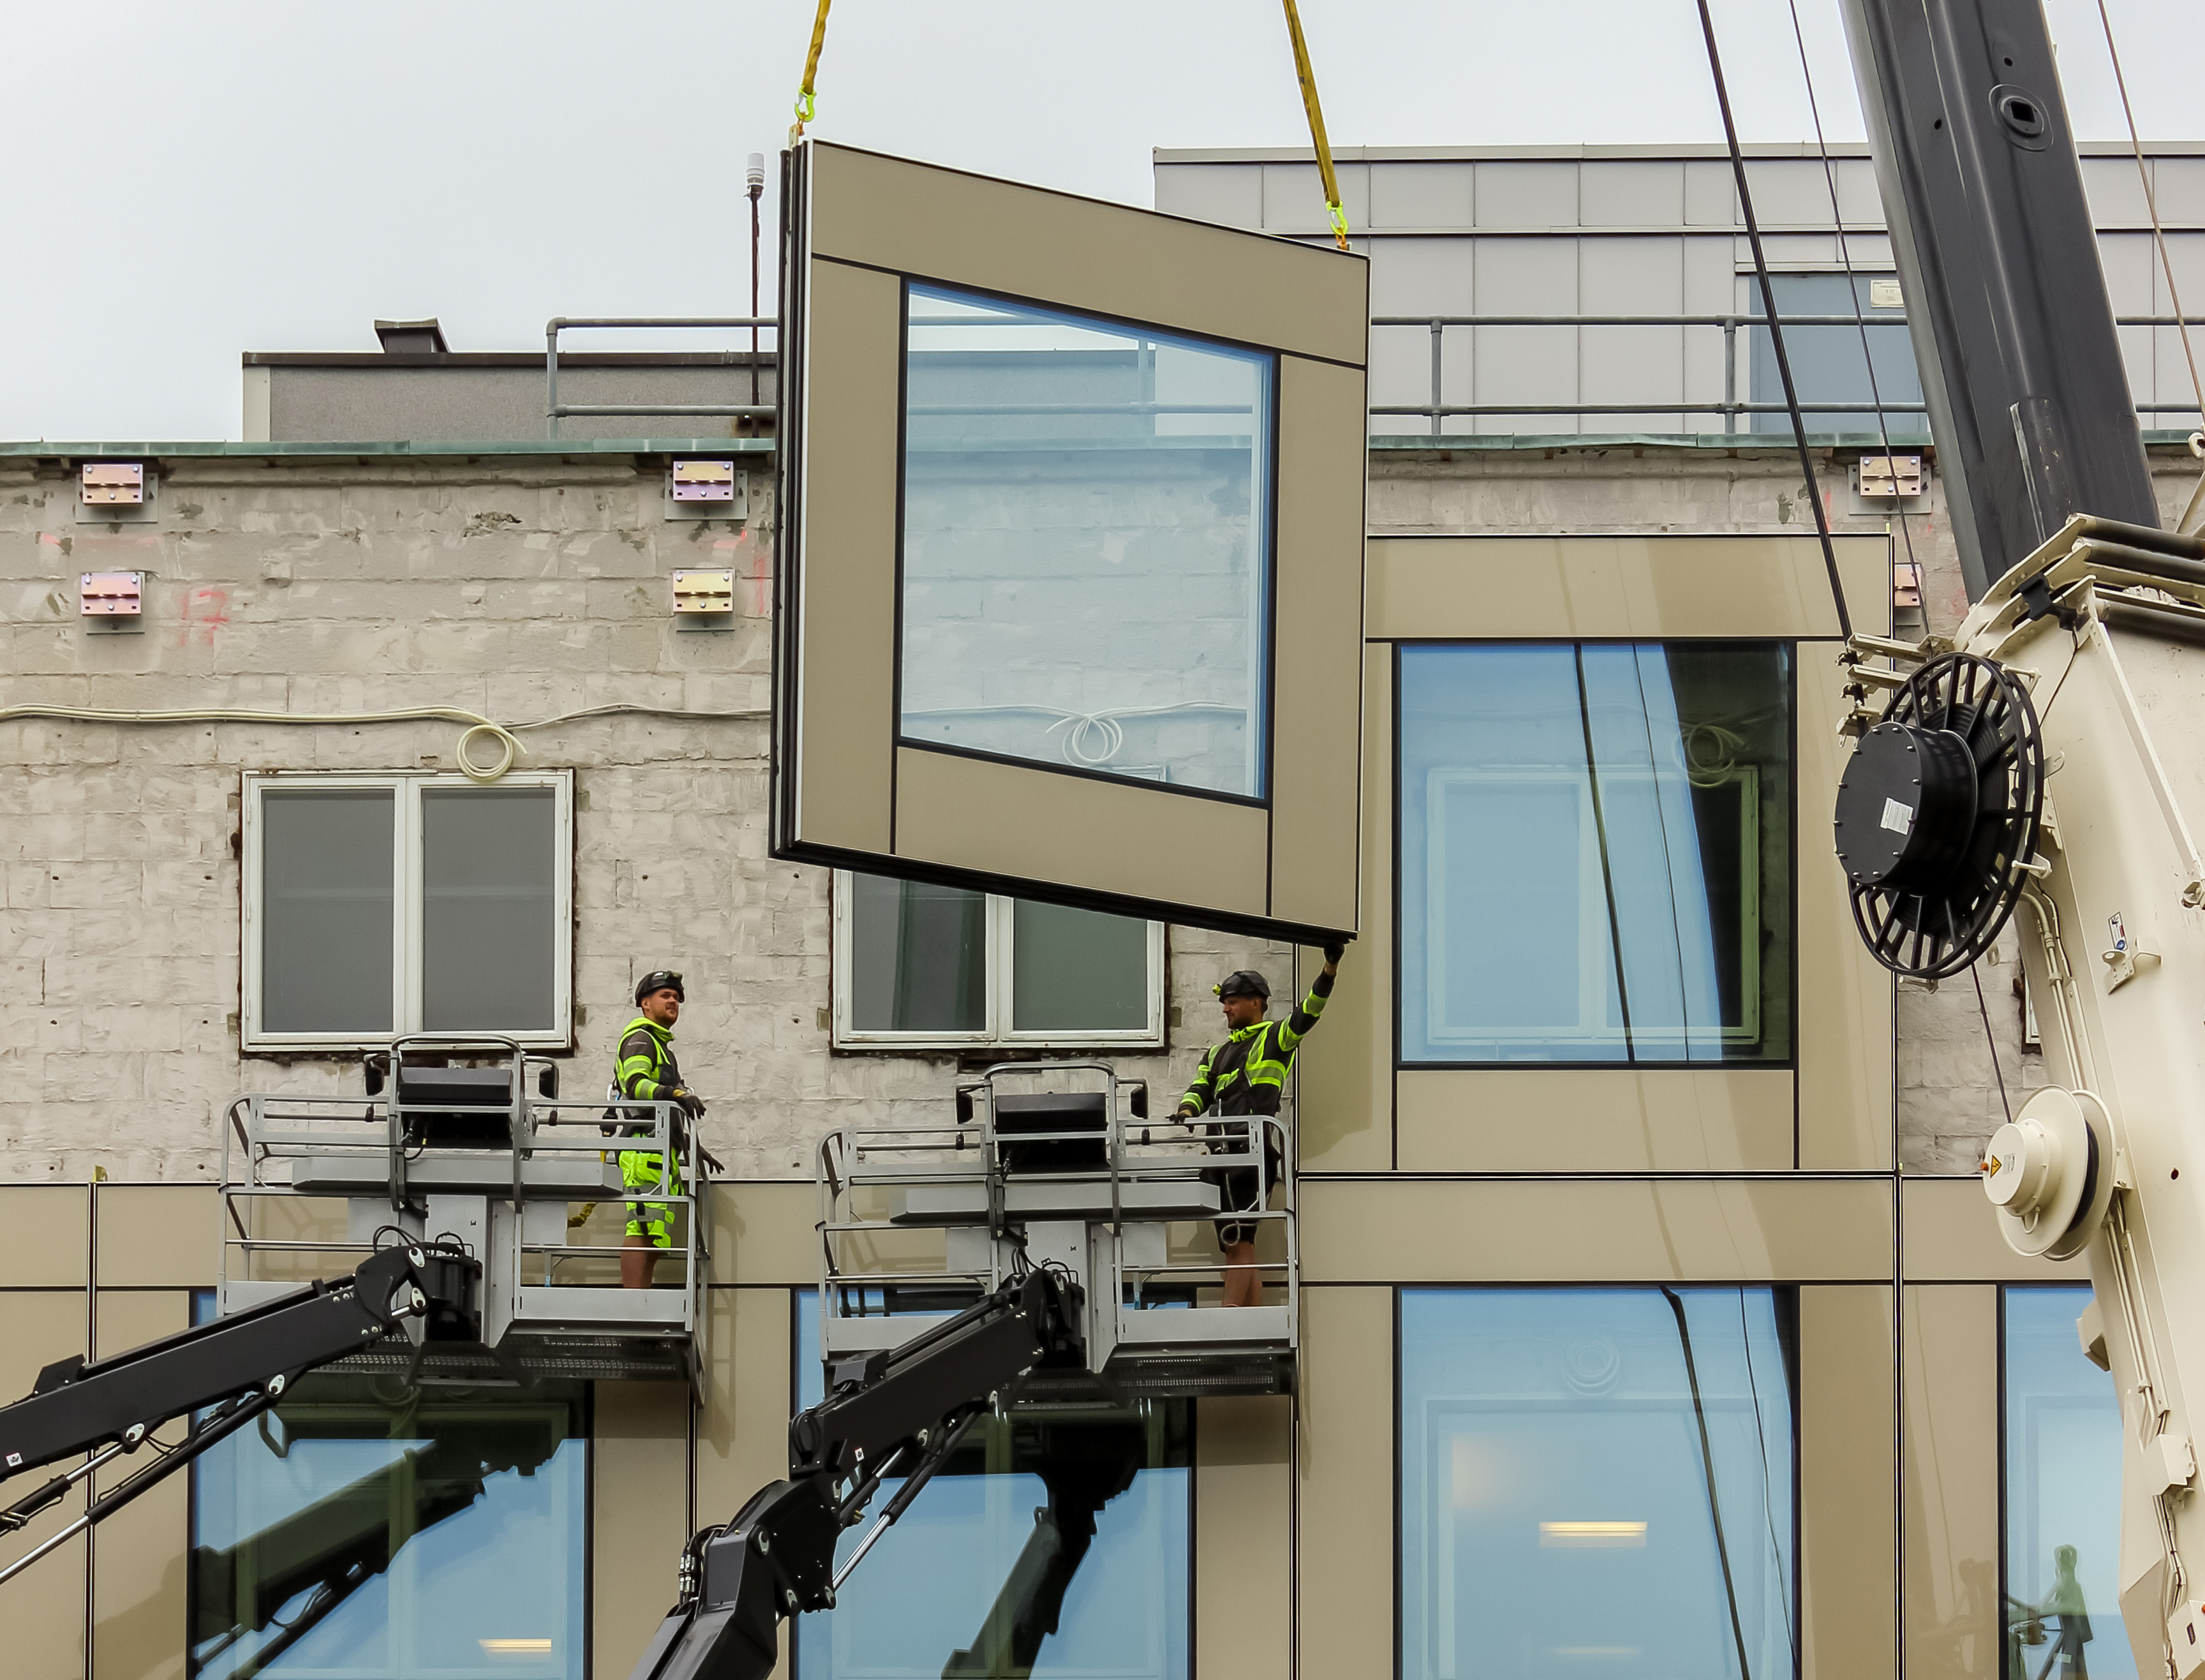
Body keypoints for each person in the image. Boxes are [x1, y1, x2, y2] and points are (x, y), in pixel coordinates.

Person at [1174, 943, 1344, 1307]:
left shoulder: (1275, 1038)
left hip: (1249, 1154)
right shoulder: (1216, 1052)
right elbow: (1200, 1088)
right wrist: (1187, 1111)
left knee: (1238, 1242)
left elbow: (1309, 1013)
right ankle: (1250, 1313)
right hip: (1220, 1157)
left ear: (1256, 1002)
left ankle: (1231, 1318)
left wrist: (1329, 967)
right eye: (1225, 1002)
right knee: (1236, 1247)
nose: (1226, 1008)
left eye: (1233, 1001)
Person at [612, 970, 712, 1289]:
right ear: (645, 1003)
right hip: (643, 1145)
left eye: (676, 997)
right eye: (665, 996)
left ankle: (643, 1297)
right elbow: (636, 1084)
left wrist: (693, 1146)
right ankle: (635, 1303)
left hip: (659, 1148)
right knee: (640, 1228)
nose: (673, 1001)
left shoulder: (661, 1047)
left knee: (653, 1232)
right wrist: (676, 1094)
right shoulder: (641, 1039)